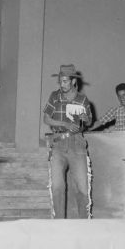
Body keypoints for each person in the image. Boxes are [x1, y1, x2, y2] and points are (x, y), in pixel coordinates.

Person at [43, 64, 93, 219]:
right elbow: (46, 119)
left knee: (82, 188)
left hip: (77, 144)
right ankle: (59, 223)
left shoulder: (82, 99)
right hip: (58, 143)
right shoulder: (54, 96)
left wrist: (86, 119)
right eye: (60, 81)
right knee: (57, 186)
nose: (62, 84)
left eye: (65, 81)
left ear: (73, 81)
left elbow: (89, 121)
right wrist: (64, 124)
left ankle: (84, 223)